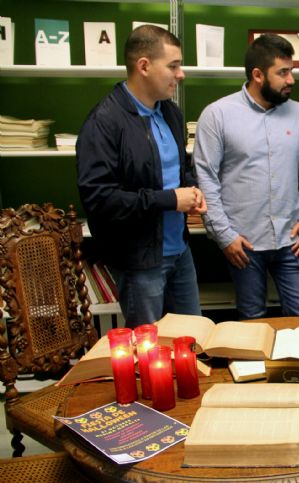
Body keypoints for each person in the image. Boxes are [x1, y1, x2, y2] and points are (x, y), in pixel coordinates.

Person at [76, 25, 207, 329]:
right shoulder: (104, 122)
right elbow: (100, 200)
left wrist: (192, 188)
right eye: (173, 66)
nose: (181, 74)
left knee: (194, 343)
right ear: (144, 66)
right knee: (151, 356)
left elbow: (180, 168)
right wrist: (171, 199)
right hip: (140, 263)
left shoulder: (171, 113)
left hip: (180, 252)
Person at [193, 33, 299, 319]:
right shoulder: (217, 115)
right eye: (283, 72)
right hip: (243, 244)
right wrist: (224, 236)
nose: (291, 79)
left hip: (293, 241)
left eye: (291, 71)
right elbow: (206, 179)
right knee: (251, 322)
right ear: (257, 75)